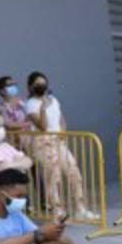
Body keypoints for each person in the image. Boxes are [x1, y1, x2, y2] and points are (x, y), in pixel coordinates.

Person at [24, 71, 95, 221]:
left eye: (43, 83)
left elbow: (61, 118)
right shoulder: (30, 104)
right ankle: (58, 212)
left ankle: (80, 209)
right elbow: (42, 126)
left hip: (58, 141)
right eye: (37, 84)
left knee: (73, 171)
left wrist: (63, 130)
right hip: (42, 143)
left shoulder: (54, 99)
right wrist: (42, 106)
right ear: (31, 87)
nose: (41, 86)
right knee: (52, 177)